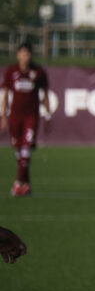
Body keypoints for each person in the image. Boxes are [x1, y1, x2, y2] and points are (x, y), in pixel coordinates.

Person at [1, 42, 52, 197]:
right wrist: (3, 116)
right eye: (23, 53)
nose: (26, 56)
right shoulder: (11, 71)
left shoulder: (38, 72)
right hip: (15, 116)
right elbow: (6, 95)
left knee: (26, 147)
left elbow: (45, 94)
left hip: (31, 115)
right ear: (18, 54)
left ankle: (17, 183)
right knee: (19, 150)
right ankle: (27, 184)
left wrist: (48, 115)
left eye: (28, 53)